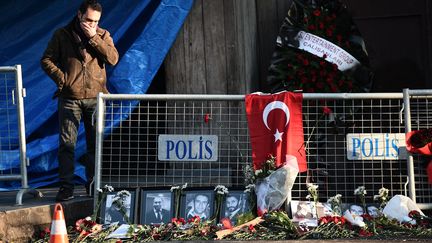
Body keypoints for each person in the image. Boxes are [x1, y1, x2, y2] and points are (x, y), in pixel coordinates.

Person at [40, 0, 119, 201]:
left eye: (95, 21)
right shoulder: (62, 34)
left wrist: (94, 38)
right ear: (79, 15)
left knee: (95, 145)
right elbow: (46, 60)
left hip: (96, 98)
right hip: (70, 98)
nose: (91, 24)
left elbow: (112, 58)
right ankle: (66, 187)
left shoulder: (103, 34)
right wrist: (62, 79)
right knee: (67, 145)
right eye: (88, 20)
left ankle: (93, 184)